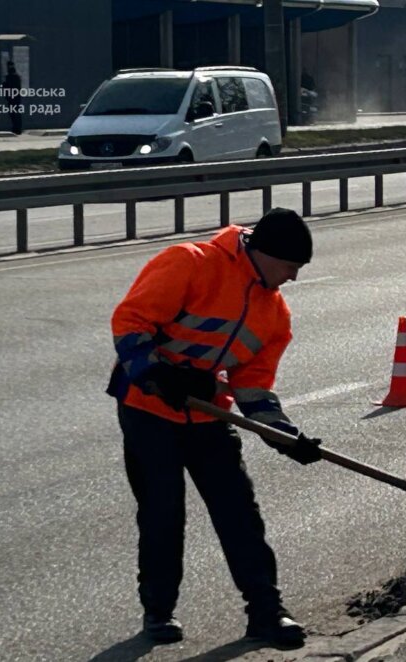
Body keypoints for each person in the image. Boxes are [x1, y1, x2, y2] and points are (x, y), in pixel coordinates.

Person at [106, 207, 323, 647]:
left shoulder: (274, 316)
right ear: (262, 254)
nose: (293, 279)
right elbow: (130, 322)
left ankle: (267, 613)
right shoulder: (190, 263)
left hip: (207, 414)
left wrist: (285, 437)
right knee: (163, 510)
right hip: (147, 408)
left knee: (240, 513)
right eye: (289, 267)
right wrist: (155, 374)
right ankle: (158, 612)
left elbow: (253, 390)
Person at [2, 62, 23, 135]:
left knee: (13, 114)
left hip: (11, 98)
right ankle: (18, 128)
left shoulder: (9, 77)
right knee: (16, 113)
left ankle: (16, 128)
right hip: (16, 98)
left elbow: (7, 87)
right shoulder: (17, 77)